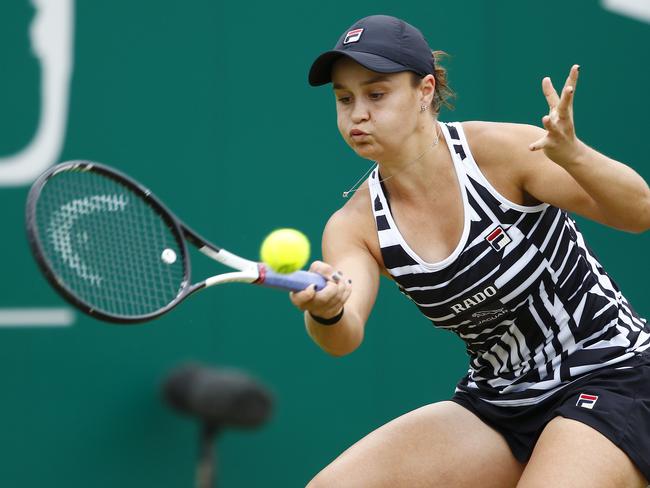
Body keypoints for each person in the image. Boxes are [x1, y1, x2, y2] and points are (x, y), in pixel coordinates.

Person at [290, 14, 650, 488]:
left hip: (611, 375)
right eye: (344, 99)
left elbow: (639, 212)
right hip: (501, 401)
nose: (358, 113)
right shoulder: (354, 226)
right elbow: (345, 332)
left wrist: (574, 156)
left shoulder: (502, 152)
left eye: (376, 94)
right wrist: (326, 311)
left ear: (425, 91)